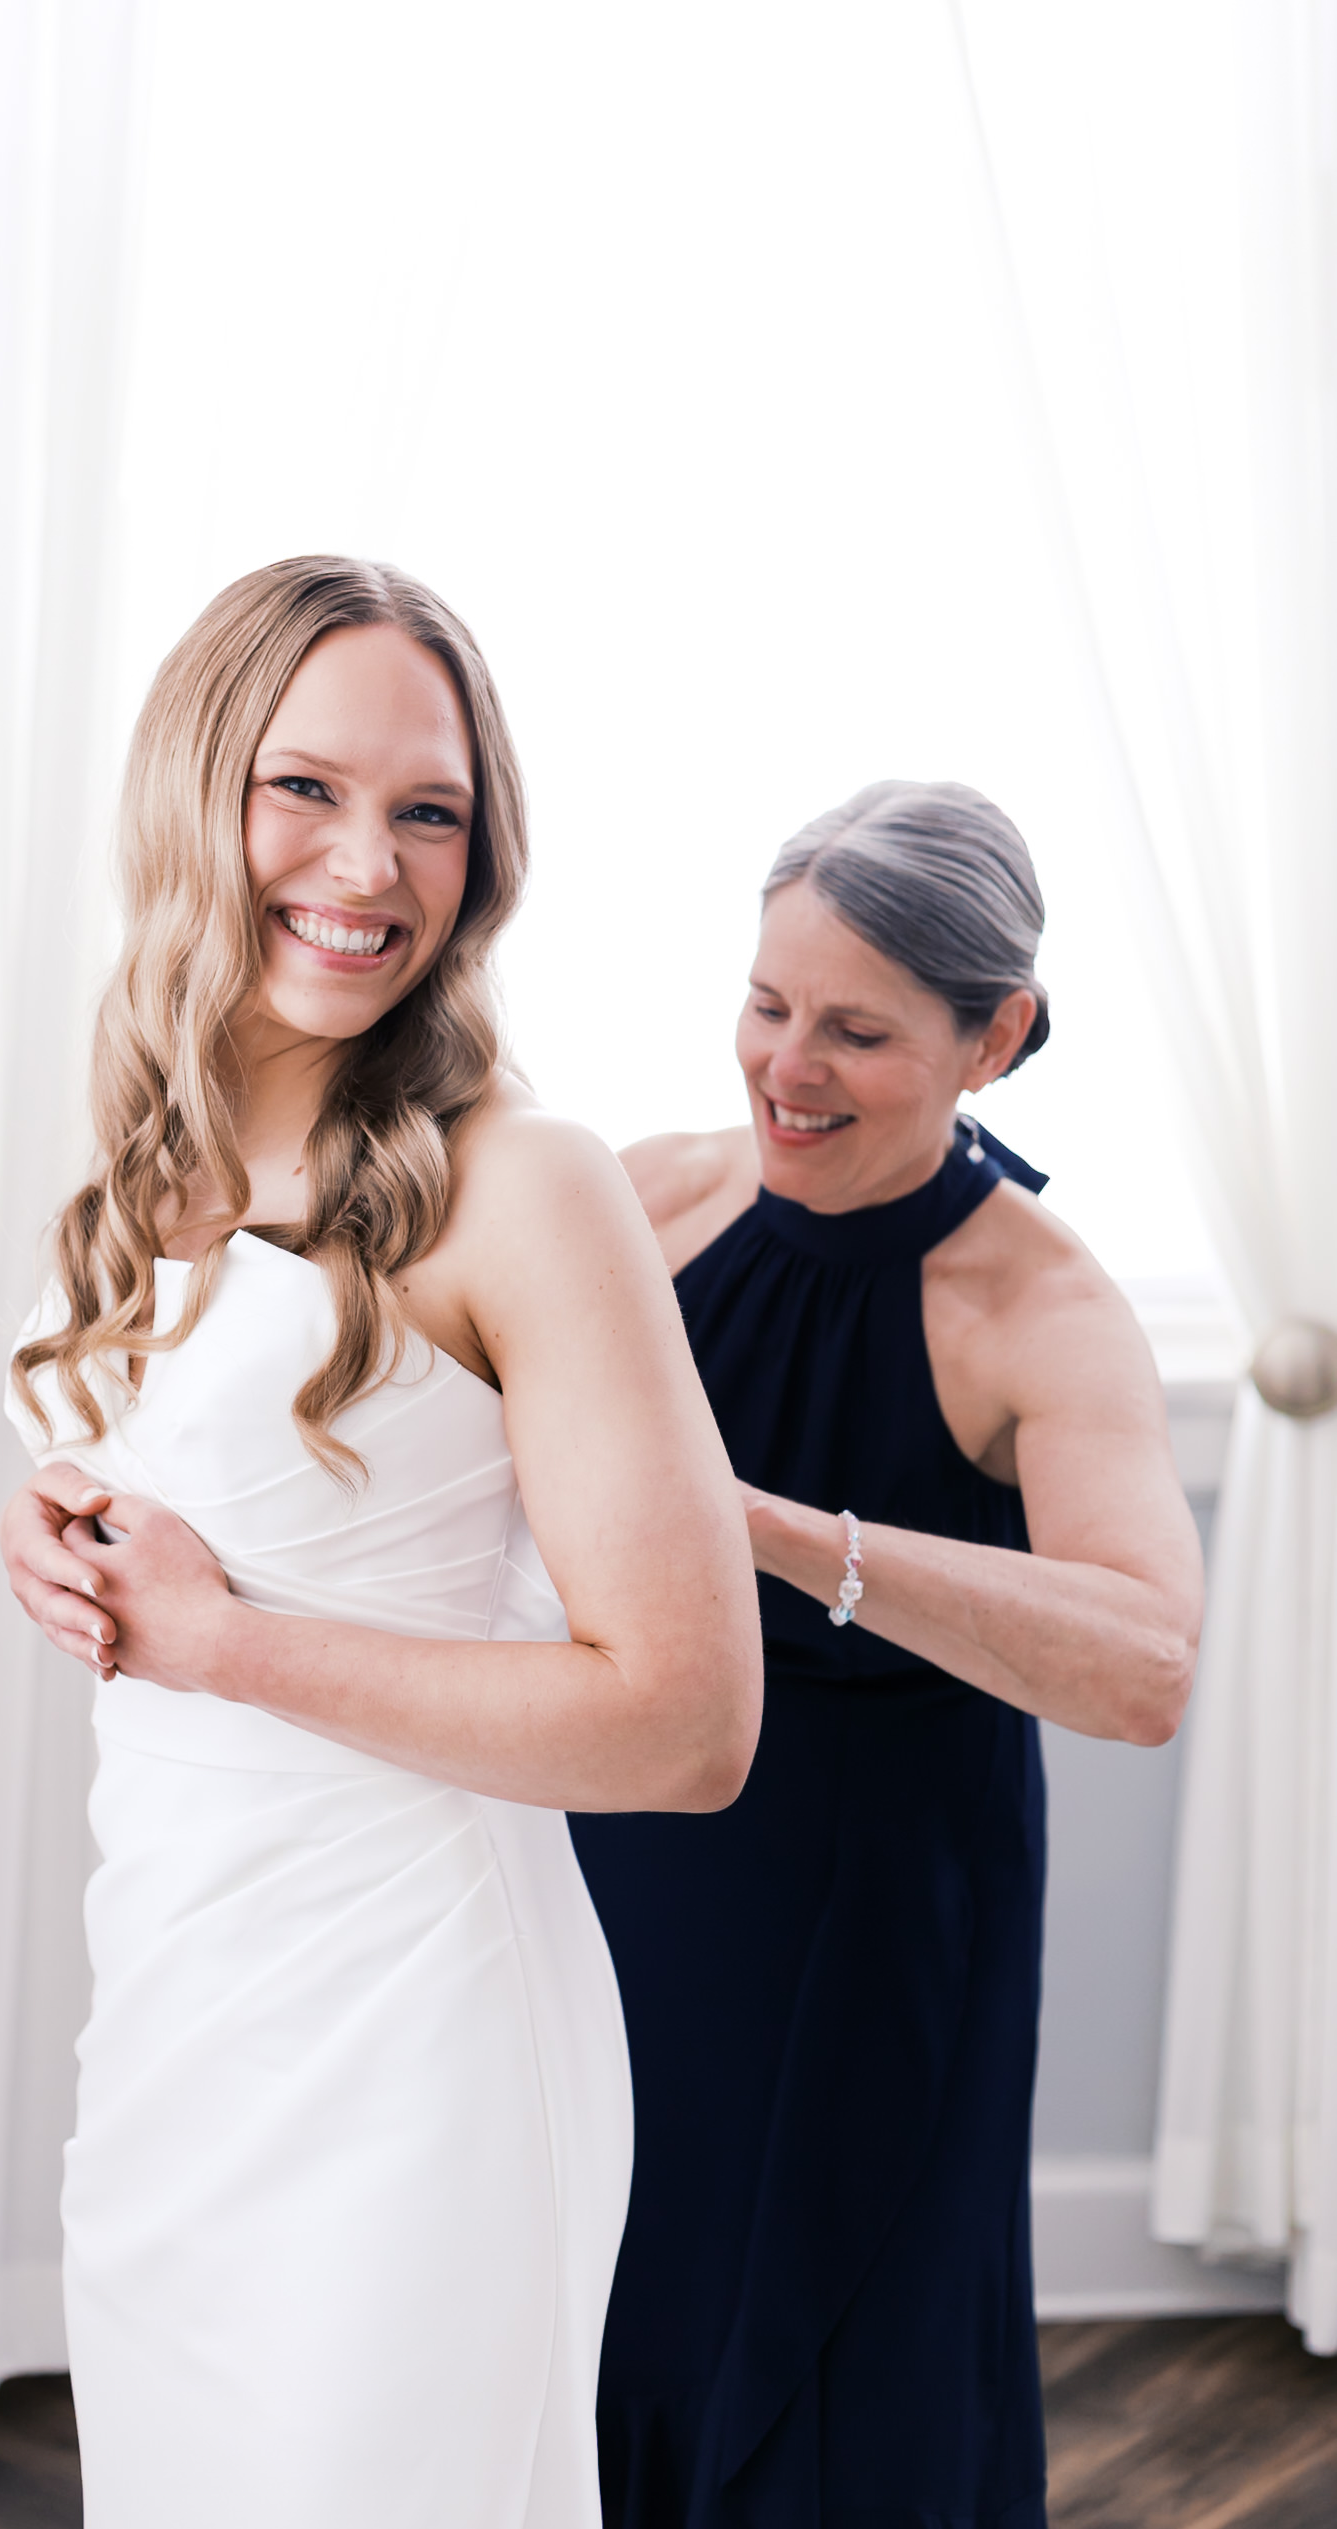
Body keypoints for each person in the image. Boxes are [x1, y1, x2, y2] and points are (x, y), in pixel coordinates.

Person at [0, 556, 762, 2529]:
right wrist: (68, 1540)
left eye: (429, 807)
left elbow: (686, 1725)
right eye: (305, 788)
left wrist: (220, 1637)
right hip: (174, 1997)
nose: (367, 859)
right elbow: (199, 1495)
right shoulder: (141, 1162)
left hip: (415, 2035)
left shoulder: (527, 1185)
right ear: (195, 795)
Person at [569, 781, 1204, 2529]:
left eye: (854, 1028)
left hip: (878, 1905)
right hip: (621, 1848)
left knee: (849, 2364)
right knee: (609, 2302)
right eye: (766, 1005)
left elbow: (1144, 1662)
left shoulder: (1042, 1310)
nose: (785, 1064)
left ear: (991, 1034)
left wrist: (761, 1527)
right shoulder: (653, 1195)